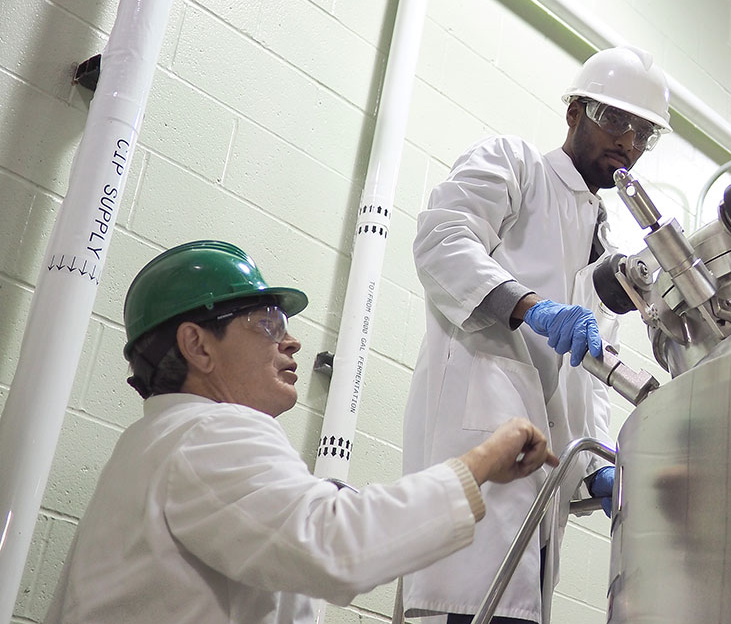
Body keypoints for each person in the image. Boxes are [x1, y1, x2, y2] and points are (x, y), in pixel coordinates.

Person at [44, 240, 558, 624]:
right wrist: (482, 462)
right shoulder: (208, 434)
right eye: (267, 322)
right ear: (198, 346)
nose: (291, 341)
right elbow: (336, 543)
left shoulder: (161, 446)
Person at [400, 46, 671, 624]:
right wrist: (532, 308)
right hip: (477, 450)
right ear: (574, 112)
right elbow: (443, 242)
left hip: (539, 486)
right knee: (466, 601)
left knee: (516, 606)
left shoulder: (602, 241)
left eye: (643, 131)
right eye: (614, 120)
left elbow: (585, 383)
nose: (627, 142)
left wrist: (591, 469)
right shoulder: (514, 164)